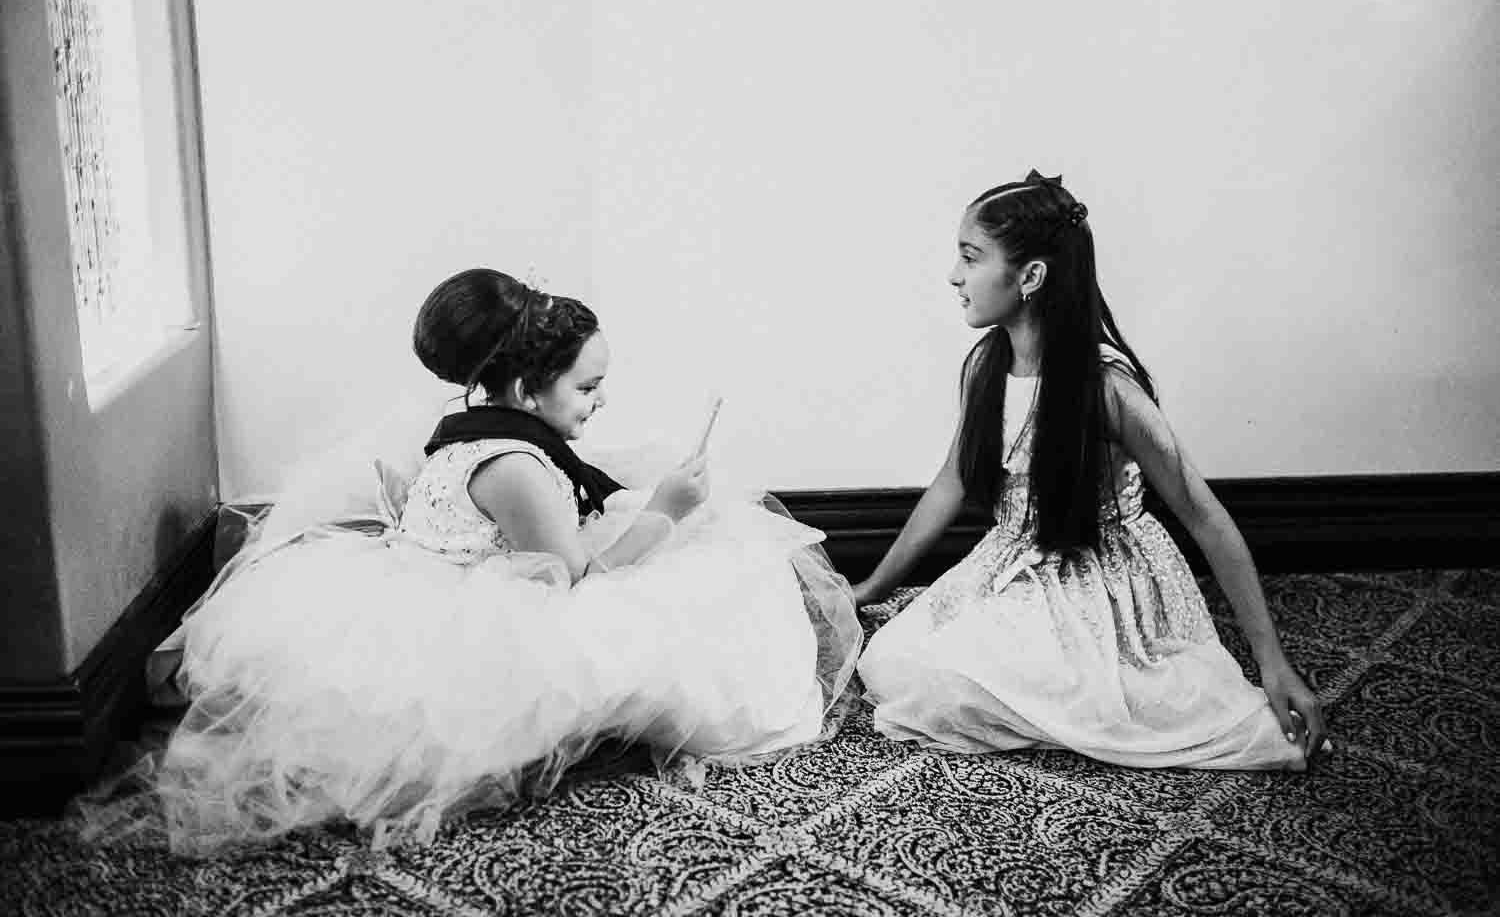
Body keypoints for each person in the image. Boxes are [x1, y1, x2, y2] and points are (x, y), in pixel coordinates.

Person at [84, 268, 859, 854]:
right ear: (526, 387)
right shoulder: (515, 464)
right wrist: (665, 512)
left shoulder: (478, 421)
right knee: (708, 578)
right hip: (488, 611)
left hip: (457, 570)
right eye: (588, 388)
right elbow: (578, 579)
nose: (600, 402)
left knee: (692, 539)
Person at [854, 171, 1327, 771]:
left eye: (970, 258)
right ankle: (1051, 697)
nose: (954, 275)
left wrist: (1273, 662)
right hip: (1015, 563)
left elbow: (1204, 517)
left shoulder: (1110, 391)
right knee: (895, 663)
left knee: (1003, 687)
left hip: (1098, 580)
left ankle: (1093, 699)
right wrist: (873, 585)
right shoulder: (986, 366)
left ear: (1029, 277)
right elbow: (951, 482)